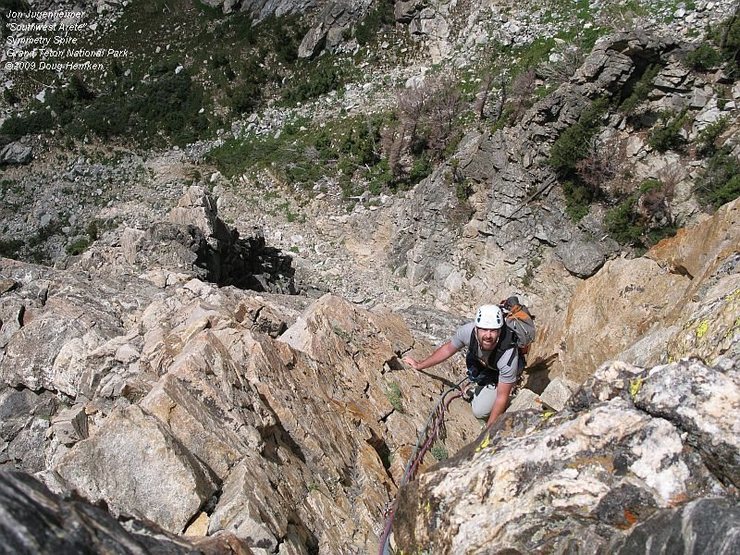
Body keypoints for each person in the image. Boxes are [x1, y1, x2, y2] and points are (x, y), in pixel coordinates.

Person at [402, 304, 523, 428]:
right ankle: (480, 383)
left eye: (493, 330)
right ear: (476, 328)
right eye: (484, 329)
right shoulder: (467, 332)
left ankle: (509, 394)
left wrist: (488, 431)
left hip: (500, 373)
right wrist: (419, 365)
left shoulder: (508, 354)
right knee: (474, 362)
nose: (488, 335)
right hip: (485, 365)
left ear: (500, 331)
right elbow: (447, 350)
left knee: (479, 411)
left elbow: (501, 397)